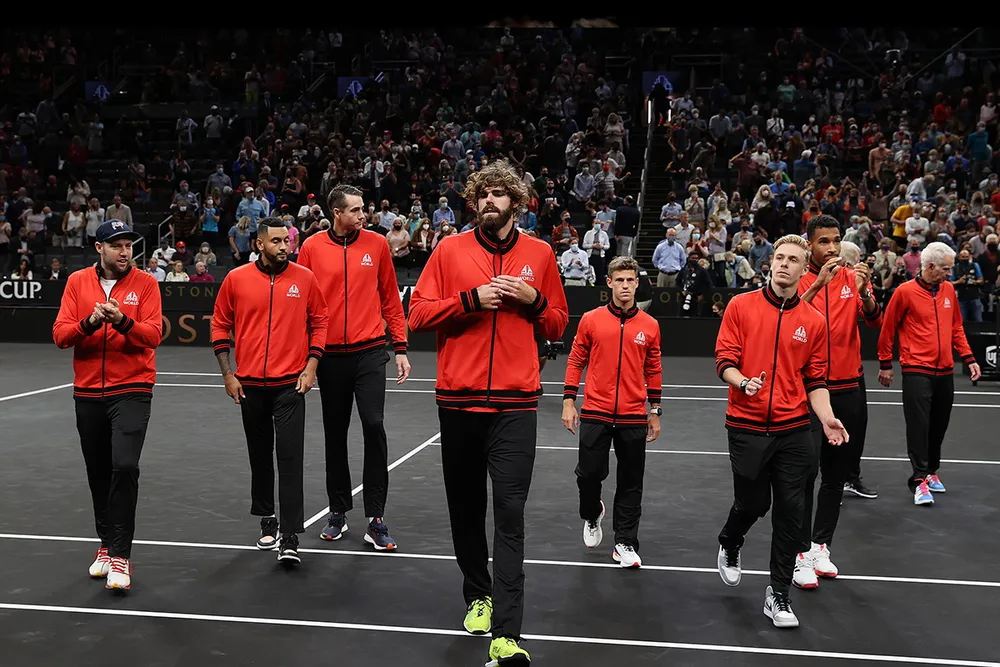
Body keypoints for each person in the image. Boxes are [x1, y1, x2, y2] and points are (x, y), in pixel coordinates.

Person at [407, 159, 569, 665]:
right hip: (457, 400)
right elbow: (417, 316)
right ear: (474, 201)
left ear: (516, 203)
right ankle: (478, 592)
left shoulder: (540, 253)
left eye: (501, 195)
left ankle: (507, 634)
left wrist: (534, 299)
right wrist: (469, 299)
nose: (490, 202)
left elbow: (559, 324)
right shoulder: (449, 249)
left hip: (516, 403)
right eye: (484, 194)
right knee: (465, 507)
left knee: (510, 512)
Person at [714, 234, 849, 630]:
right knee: (753, 504)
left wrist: (825, 417)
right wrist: (742, 383)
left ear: (804, 269)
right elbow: (723, 360)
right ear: (770, 263)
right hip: (746, 425)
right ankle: (731, 540)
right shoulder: (741, 306)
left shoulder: (813, 322)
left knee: (792, 513)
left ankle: (778, 595)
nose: (785, 264)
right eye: (780, 257)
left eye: (793, 259)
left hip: (794, 429)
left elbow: (816, 380)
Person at [52, 219, 163, 592]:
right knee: (98, 471)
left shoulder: (146, 284)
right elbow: (60, 335)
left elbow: (152, 336)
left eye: (128, 245)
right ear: (99, 248)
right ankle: (104, 544)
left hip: (132, 388)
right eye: (116, 245)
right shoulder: (77, 282)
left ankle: (120, 555)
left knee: (125, 465)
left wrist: (122, 321)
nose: (124, 251)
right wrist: (90, 321)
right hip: (87, 392)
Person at [297, 184, 410, 550]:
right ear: (337, 213)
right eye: (357, 210)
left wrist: (402, 348)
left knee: (374, 425)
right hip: (329, 356)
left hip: (370, 352)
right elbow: (305, 306)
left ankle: (376, 518)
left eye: (364, 209)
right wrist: (307, 358)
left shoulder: (377, 244)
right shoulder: (312, 247)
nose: (364, 215)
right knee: (335, 432)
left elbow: (390, 298)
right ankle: (338, 509)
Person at [211, 217, 329, 563]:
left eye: (287, 241)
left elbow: (320, 321)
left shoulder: (305, 278)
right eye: (276, 241)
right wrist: (228, 374)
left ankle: (290, 536)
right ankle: (267, 520)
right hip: (249, 385)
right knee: (260, 456)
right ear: (258, 244)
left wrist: (311, 367)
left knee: (290, 459)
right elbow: (220, 324)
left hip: (290, 385)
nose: (284, 247)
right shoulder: (236, 279)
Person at [792, 215, 883, 590]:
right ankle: (798, 554)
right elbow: (788, 319)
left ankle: (819, 546)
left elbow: (874, 320)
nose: (831, 248)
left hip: (849, 386)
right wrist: (817, 286)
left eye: (835, 241)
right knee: (803, 473)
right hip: (809, 389)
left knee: (836, 474)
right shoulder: (797, 279)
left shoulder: (852, 277)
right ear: (809, 245)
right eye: (823, 242)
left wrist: (863, 292)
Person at [561, 256, 662, 568]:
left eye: (631, 280)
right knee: (588, 475)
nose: (626, 286)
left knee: (632, 482)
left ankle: (625, 542)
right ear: (609, 283)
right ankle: (592, 514)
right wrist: (568, 401)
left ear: (637, 283)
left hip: (633, 414)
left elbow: (654, 368)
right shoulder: (591, 320)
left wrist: (655, 410)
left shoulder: (650, 325)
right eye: (620, 280)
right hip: (596, 411)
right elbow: (576, 360)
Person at [877, 241, 981, 505]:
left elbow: (956, 328)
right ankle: (919, 479)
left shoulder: (948, 290)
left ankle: (932, 471)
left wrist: (969, 359)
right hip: (916, 369)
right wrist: (885, 364)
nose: (949, 273)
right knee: (919, 426)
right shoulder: (904, 292)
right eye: (946, 269)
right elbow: (888, 329)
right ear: (930, 266)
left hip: (944, 370)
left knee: (938, 426)